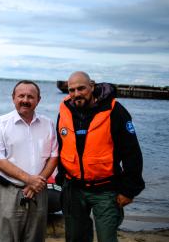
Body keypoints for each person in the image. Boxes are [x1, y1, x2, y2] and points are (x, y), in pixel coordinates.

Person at [56, 71, 145, 242]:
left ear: (92, 86)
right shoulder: (65, 110)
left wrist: (129, 190)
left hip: (105, 190)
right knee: (75, 238)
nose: (76, 94)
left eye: (81, 88)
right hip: (73, 189)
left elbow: (132, 152)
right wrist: (62, 178)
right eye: (71, 90)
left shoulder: (115, 111)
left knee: (107, 238)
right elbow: (62, 146)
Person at [0, 80, 59, 242]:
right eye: (21, 96)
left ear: (38, 100)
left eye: (30, 97)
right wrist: (29, 180)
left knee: (36, 237)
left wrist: (36, 183)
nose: (25, 100)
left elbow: (54, 157)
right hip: (10, 191)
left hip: (39, 192)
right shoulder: (1, 124)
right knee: (8, 238)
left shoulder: (48, 124)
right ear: (13, 98)